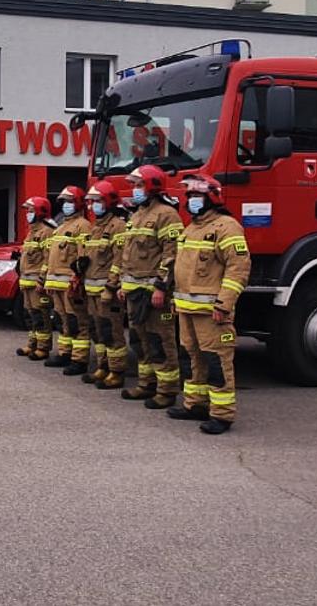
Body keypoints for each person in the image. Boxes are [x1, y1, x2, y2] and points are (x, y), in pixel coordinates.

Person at [162, 173, 251, 435]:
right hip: (187, 308)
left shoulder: (227, 227)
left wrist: (224, 303)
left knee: (216, 361)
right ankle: (195, 405)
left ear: (211, 197)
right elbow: (179, 269)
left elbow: (238, 269)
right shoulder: (190, 229)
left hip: (212, 311)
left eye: (196, 196)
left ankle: (222, 415)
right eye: (189, 196)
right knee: (192, 359)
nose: (191, 201)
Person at [113, 166, 186, 406]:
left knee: (160, 340)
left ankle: (166, 391)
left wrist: (161, 287)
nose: (135, 190)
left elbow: (171, 254)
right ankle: (147, 384)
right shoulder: (136, 215)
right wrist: (123, 284)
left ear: (152, 186)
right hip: (134, 290)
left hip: (154, 292)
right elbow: (127, 254)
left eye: (138, 185)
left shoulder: (167, 214)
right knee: (139, 339)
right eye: (134, 185)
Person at [80, 181, 129, 390]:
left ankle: (116, 372)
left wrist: (111, 287)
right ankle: (103, 366)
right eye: (91, 202)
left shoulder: (117, 226)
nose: (93, 205)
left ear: (108, 202)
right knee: (97, 330)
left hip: (106, 292)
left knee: (112, 331)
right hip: (91, 290)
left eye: (97, 201)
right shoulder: (94, 227)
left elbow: (119, 260)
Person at [41, 186, 89, 368]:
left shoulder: (82, 225)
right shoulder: (60, 227)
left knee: (77, 321)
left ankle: (79, 359)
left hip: (70, 284)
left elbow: (83, 256)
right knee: (62, 321)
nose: (66, 205)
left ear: (77, 203)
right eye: (64, 202)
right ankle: (64, 353)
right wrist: (47, 280)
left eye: (69, 201)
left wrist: (77, 279)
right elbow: (52, 258)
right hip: (56, 283)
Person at [16, 196, 57, 360]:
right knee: (31, 314)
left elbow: (48, 259)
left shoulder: (46, 232)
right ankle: (32, 343)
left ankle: (43, 347)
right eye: (27, 211)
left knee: (41, 315)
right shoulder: (31, 232)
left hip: (37, 284)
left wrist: (42, 280)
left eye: (31, 211)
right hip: (27, 282)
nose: (28, 214)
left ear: (40, 212)